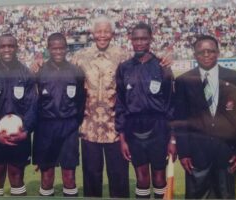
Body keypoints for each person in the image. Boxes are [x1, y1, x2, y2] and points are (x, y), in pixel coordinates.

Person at [71, 16, 172, 198]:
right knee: (91, 177)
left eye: (106, 31)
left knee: (119, 178)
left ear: (112, 33)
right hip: (89, 128)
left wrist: (165, 59)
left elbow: (146, 61)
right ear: (93, 33)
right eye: (99, 31)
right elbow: (63, 75)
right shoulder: (79, 58)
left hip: (116, 129)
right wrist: (37, 65)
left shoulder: (124, 56)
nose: (102, 35)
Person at [174, 35, 236, 199]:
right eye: (201, 52)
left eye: (210, 51)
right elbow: (181, 119)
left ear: (218, 53)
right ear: (194, 54)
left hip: (227, 153)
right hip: (196, 155)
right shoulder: (183, 81)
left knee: (225, 195)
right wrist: (183, 152)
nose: (206, 55)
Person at [115, 22, 176, 199]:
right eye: (136, 39)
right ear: (130, 40)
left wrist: (172, 138)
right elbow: (120, 103)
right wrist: (122, 137)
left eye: (143, 38)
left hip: (158, 127)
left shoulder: (162, 66)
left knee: (159, 177)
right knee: (141, 178)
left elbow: (171, 104)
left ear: (150, 39)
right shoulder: (124, 67)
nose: (140, 42)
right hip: (133, 128)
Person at [0, 33, 37, 196]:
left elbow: (32, 105)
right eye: (3, 46)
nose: (7, 49)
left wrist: (25, 131)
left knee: (17, 176)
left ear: (16, 48)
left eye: (10, 46)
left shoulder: (26, 73)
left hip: (20, 136)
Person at [33, 32, 85, 197]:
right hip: (45, 128)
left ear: (66, 49)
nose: (58, 52)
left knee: (69, 176)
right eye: (54, 48)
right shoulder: (38, 71)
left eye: (61, 48)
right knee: (47, 177)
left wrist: (75, 123)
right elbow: (33, 101)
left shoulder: (76, 71)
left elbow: (81, 101)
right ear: (48, 48)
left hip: (69, 127)